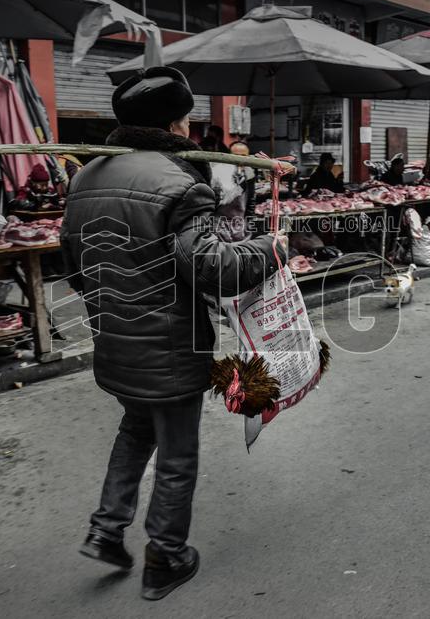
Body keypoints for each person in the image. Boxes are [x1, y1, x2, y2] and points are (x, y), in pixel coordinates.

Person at [60, 67, 282, 601]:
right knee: (177, 454)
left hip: (114, 336)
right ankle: (166, 555)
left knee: (136, 429)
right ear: (177, 124)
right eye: (186, 120)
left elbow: (74, 265)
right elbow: (209, 267)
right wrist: (269, 250)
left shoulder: (85, 178)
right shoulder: (182, 183)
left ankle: (106, 529)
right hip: (170, 346)